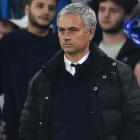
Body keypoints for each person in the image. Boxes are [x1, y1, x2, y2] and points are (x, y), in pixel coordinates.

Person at [19, 3, 140, 140]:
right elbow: (28, 127)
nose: (66, 36)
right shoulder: (42, 79)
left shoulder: (119, 74)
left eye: (73, 30)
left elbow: (134, 123)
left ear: (91, 33)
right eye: (61, 30)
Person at [0, 0, 60, 139]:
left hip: (53, 130)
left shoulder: (62, 47)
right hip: (16, 129)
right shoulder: (9, 43)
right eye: (40, 6)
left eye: (51, 8)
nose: (46, 11)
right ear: (27, 10)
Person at [98, 0, 140, 70]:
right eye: (102, 10)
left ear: (127, 17)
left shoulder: (136, 52)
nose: (106, 15)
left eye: (113, 11)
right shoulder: (86, 47)